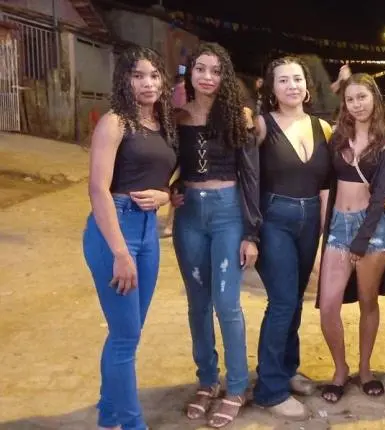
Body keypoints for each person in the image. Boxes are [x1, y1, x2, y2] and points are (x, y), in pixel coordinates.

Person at [83, 46, 176, 430]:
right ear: (125, 80)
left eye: (154, 75)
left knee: (128, 334)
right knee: (125, 336)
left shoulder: (162, 124)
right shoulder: (115, 122)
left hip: (148, 231)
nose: (148, 83)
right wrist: (120, 252)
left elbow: (166, 180)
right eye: (138, 76)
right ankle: (133, 424)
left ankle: (109, 416)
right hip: (115, 231)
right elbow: (98, 189)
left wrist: (166, 196)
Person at [169, 42, 260, 428]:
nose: (207, 77)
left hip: (228, 213)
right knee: (197, 304)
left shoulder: (240, 117)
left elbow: (251, 175)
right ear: (190, 73)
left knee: (227, 304)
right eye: (200, 69)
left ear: (226, 77)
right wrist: (172, 187)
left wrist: (251, 232)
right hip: (189, 214)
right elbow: (172, 163)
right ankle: (207, 380)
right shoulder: (178, 116)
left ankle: (236, 386)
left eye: (216, 71)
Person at [253, 56, 334, 420]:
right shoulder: (261, 125)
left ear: (307, 85)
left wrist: (325, 232)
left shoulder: (322, 127)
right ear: (272, 88)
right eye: (283, 80)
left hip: (310, 218)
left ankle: (287, 369)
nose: (292, 86)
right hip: (274, 218)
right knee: (283, 301)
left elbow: (327, 183)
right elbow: (246, 175)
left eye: (297, 79)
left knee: (296, 299)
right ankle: (269, 390)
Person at [317, 73, 385, 403]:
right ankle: (340, 370)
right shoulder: (338, 137)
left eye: (362, 97)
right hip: (338, 225)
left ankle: (365, 369)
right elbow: (325, 182)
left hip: (372, 228)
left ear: (375, 99)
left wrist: (362, 239)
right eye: (350, 99)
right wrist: (324, 228)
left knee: (368, 301)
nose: (357, 104)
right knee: (328, 306)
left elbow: (381, 195)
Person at [161, 66, 189, 239]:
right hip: (182, 139)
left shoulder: (176, 90)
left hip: (178, 137)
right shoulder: (183, 90)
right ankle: (170, 224)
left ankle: (170, 224)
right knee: (180, 181)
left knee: (178, 181)